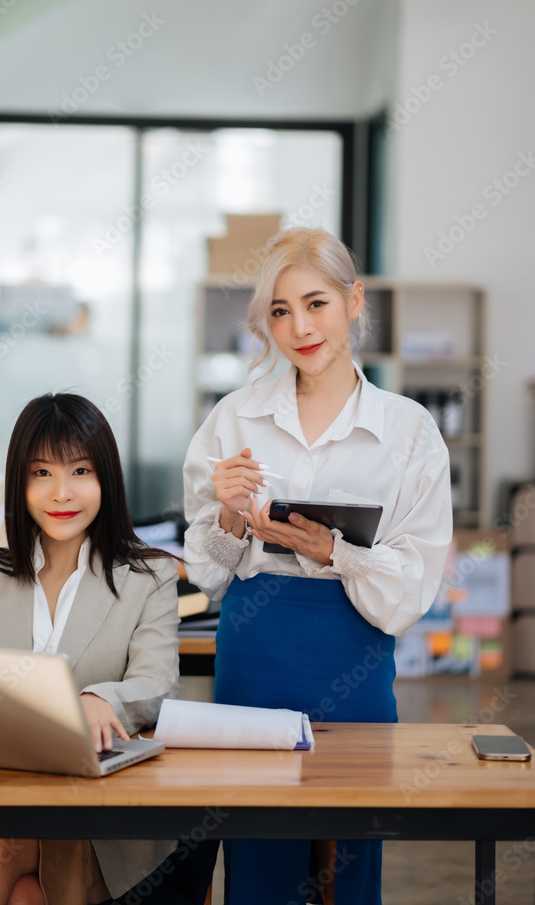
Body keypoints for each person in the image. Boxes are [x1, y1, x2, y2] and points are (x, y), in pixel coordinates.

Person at [183, 228, 453, 905]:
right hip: (255, 650)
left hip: (353, 655)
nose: (299, 327)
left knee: (350, 858)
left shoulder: (409, 429)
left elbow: (413, 583)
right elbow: (205, 572)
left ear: (354, 301)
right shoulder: (234, 419)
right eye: (279, 311)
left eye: (316, 303)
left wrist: (334, 552)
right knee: (258, 858)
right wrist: (228, 513)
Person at [0, 393, 217, 905]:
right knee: (22, 892)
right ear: (20, 482)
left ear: (105, 477)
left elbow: (156, 682)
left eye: (80, 470)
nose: (62, 492)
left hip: (94, 817)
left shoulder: (146, 578)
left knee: (7, 850)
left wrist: (104, 699)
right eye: (41, 473)